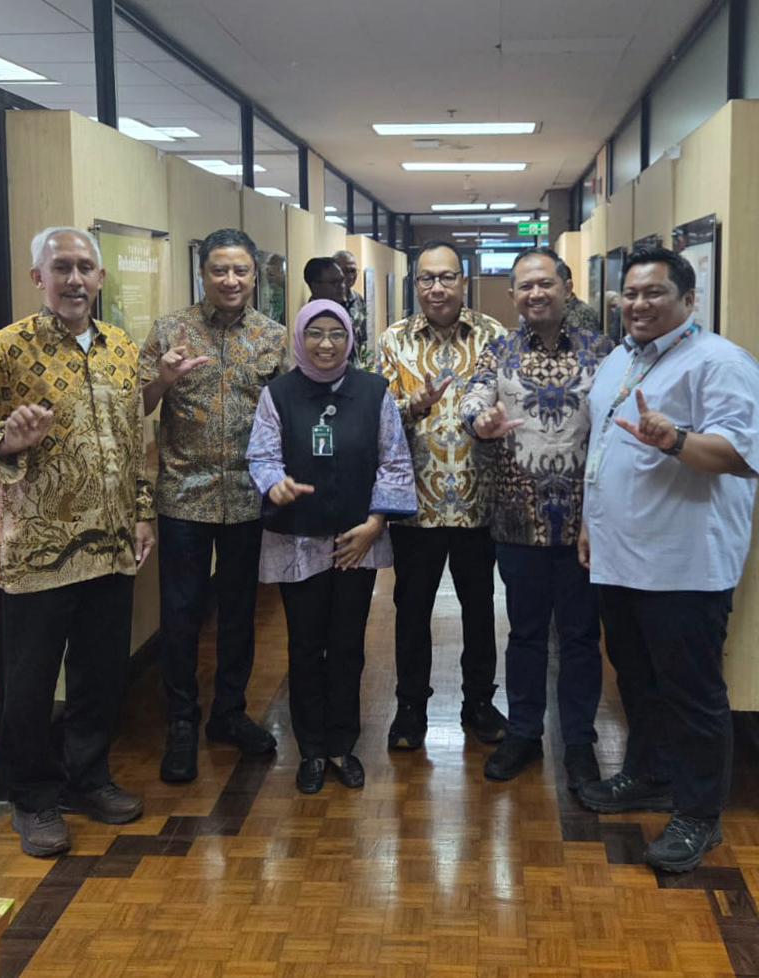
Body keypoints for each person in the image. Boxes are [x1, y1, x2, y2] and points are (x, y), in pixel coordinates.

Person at [0, 226, 153, 857]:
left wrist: (143, 514)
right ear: (39, 277)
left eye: (85, 267)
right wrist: (7, 439)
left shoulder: (121, 348)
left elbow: (134, 440)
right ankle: (33, 797)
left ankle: (88, 779)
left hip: (111, 547)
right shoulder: (4, 350)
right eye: (62, 267)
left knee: (100, 676)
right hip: (37, 554)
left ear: (101, 278)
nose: (75, 279)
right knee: (31, 685)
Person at [577, 247, 759, 873]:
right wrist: (590, 525)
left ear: (689, 299)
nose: (638, 304)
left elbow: (737, 453)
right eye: (630, 294)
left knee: (692, 693)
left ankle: (699, 814)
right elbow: (603, 451)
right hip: (620, 558)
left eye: (653, 293)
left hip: (684, 564)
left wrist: (677, 439)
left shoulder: (720, 363)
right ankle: (650, 773)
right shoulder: (621, 359)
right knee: (636, 679)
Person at [247, 300, 415, 793]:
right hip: (297, 540)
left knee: (346, 646)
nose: (326, 344)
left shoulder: (374, 391)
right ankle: (311, 749)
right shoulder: (278, 394)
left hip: (356, 543)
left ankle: (342, 744)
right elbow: (262, 455)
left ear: (350, 339)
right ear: (300, 337)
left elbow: (395, 461)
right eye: (315, 333)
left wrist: (375, 524)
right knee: (304, 647)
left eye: (336, 334)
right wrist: (274, 483)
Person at [460, 248, 613, 788]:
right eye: (525, 286)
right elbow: (472, 398)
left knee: (579, 638)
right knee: (524, 635)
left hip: (584, 524)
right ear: (512, 295)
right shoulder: (498, 350)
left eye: (545, 283)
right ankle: (524, 733)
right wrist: (480, 421)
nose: (535, 294)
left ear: (567, 287)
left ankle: (579, 742)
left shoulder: (603, 351)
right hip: (517, 519)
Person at [140, 228, 289, 784]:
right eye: (219, 270)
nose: (230, 280)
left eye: (240, 270)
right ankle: (181, 721)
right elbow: (138, 405)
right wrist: (163, 379)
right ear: (202, 273)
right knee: (180, 614)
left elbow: (288, 413)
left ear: (254, 276)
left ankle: (229, 712)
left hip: (248, 497)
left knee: (238, 612)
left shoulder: (273, 337)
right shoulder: (170, 330)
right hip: (183, 495)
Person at [377, 240, 508, 750]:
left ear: (463, 281)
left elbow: (508, 405)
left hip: (479, 502)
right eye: (428, 278)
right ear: (416, 284)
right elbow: (379, 419)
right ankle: (410, 707)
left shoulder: (494, 336)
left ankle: (479, 702)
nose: (438, 287)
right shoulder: (394, 340)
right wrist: (412, 405)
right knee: (412, 612)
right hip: (417, 505)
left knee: (480, 609)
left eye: (447, 277)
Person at [333, 249, 369, 360]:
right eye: (344, 271)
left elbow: (361, 339)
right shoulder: (324, 301)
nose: (350, 276)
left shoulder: (358, 300)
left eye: (353, 271)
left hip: (353, 365)